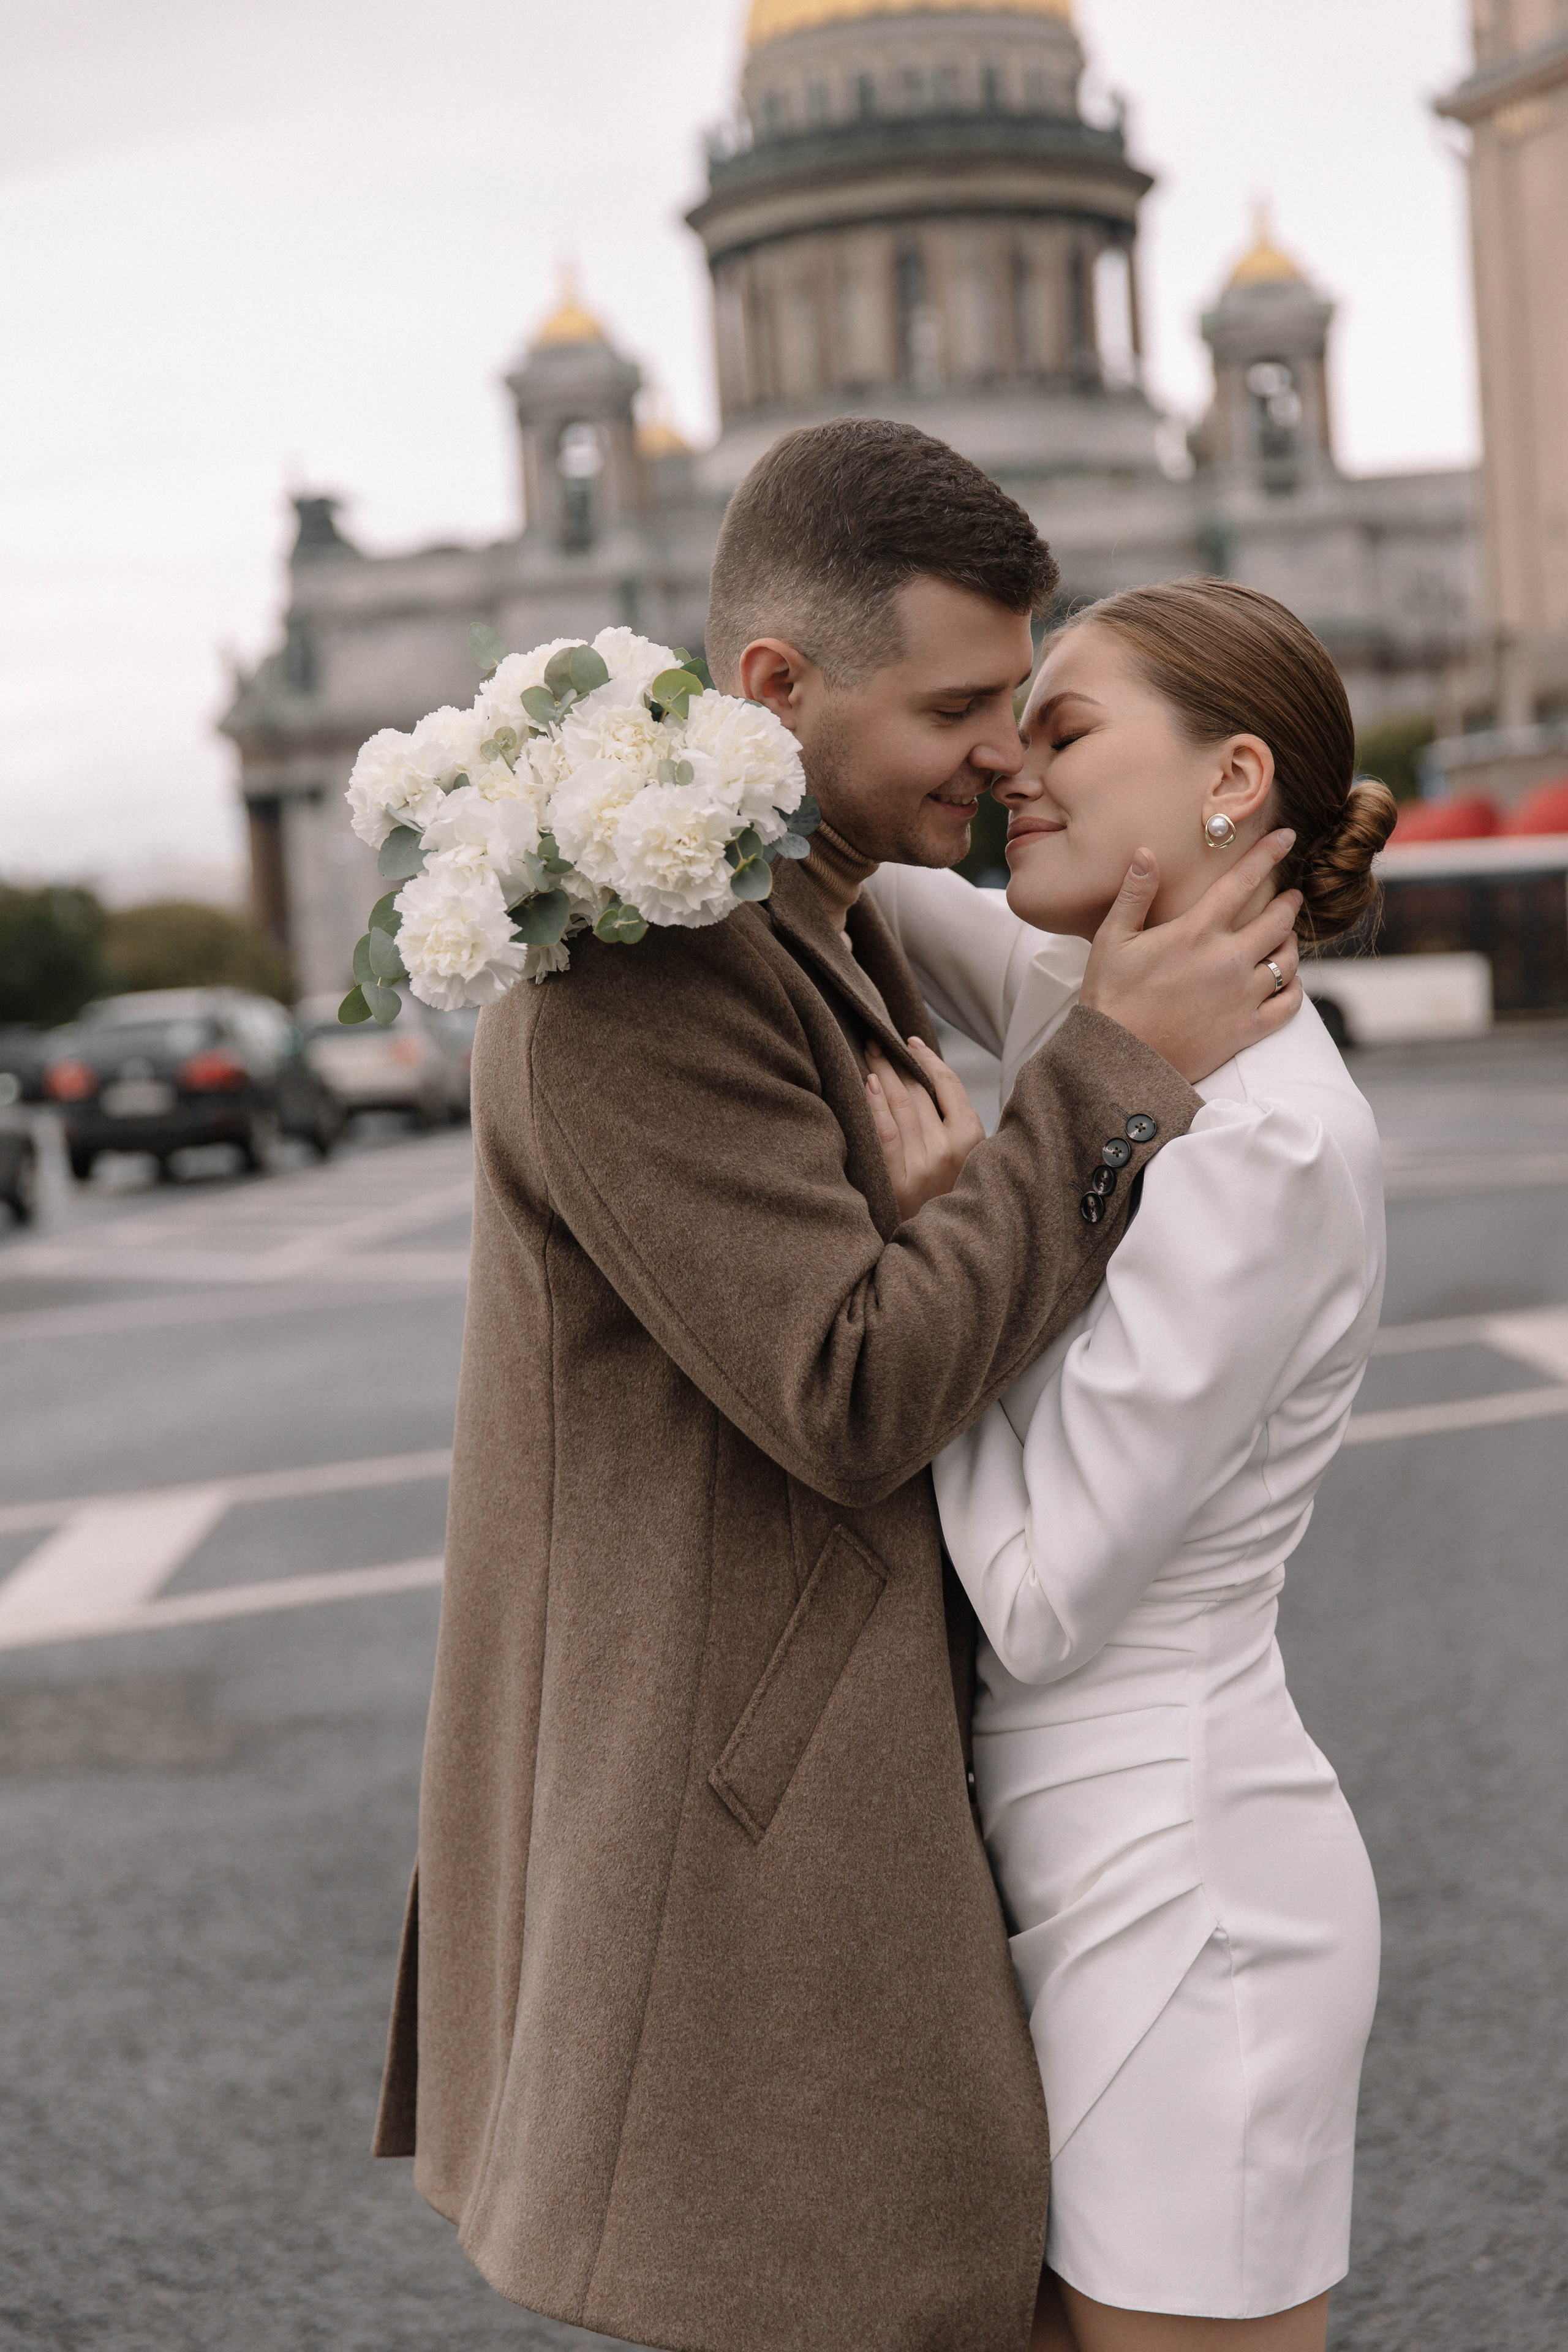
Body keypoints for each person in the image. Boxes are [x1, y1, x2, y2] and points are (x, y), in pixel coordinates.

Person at [372, 425, 1305, 2352]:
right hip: (747, 1836)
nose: (1009, 754)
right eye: (962, 706)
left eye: (1030, 704)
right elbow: (851, 1390)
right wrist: (1113, 1074)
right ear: (777, 691)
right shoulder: (648, 977)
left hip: (846, 1790)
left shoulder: (823, 908)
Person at [862, 578, 1398, 2352]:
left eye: (1068, 726)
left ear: (1232, 778)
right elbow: (855, 870)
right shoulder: (1106, 1002)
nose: (1014, 761)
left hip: (1184, 1899)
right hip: (1067, 1874)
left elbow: (1034, 1598)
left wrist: (960, 1228)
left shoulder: (1265, 1134)